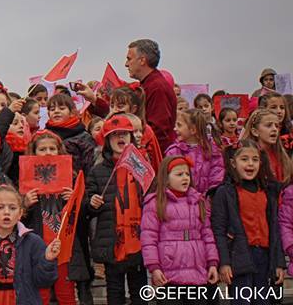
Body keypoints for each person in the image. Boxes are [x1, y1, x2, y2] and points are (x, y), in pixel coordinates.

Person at [85, 115, 147, 305]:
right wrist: (91, 204)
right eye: (115, 135)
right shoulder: (98, 171)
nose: (120, 139)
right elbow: (86, 205)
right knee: (115, 292)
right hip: (112, 242)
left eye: (124, 134)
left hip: (138, 240)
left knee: (140, 292)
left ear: (131, 138)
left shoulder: (142, 167)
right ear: (107, 141)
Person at [0, 185, 60, 305]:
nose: (6, 212)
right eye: (0, 207)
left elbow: (44, 282)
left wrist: (48, 260)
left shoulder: (33, 242)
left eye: (12, 208)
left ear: (20, 213)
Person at [211, 141, 285, 297]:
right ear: (233, 163)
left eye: (255, 159)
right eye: (244, 159)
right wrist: (224, 262)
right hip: (238, 256)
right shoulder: (225, 192)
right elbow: (219, 230)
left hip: (264, 257)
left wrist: (278, 263)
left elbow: (275, 230)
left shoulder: (267, 191)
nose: (250, 164)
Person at [140, 157, 218, 300]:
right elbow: (148, 239)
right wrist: (154, 267)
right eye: (179, 174)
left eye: (187, 174)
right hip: (169, 274)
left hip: (198, 272)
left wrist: (212, 262)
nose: (185, 178)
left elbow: (207, 235)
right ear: (166, 178)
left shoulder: (198, 202)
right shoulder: (156, 203)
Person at [21, 132, 82, 305]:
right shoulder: (26, 182)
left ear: (59, 151)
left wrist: (74, 200)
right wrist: (25, 205)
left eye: (52, 148)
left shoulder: (71, 177)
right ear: (33, 153)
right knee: (41, 294)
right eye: (42, 149)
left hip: (63, 247)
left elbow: (82, 216)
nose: (48, 152)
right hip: (38, 247)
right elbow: (18, 220)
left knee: (66, 294)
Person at [125, 39, 176, 151]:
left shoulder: (156, 87)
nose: (126, 64)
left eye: (129, 59)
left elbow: (158, 131)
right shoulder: (150, 85)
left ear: (142, 60)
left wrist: (144, 156)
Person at [164, 109, 224, 196]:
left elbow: (217, 177)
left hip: (206, 203)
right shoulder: (173, 152)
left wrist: (207, 197)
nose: (175, 128)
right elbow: (168, 179)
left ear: (193, 130)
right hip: (181, 201)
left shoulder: (213, 151)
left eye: (179, 125)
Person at [44, 93, 96, 176]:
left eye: (61, 108)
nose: (56, 111)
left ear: (71, 113)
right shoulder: (43, 136)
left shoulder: (83, 137)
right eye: (52, 109)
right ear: (48, 114)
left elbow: (90, 166)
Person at [240, 109, 292, 184]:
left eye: (277, 126)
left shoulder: (282, 156)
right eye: (269, 125)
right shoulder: (246, 156)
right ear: (255, 132)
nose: (274, 129)